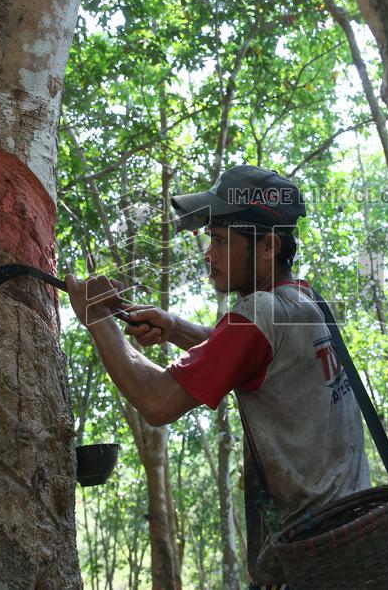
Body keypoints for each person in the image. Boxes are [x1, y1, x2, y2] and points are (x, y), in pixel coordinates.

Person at [66, 165, 371, 587]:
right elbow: (251, 354)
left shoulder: (259, 314)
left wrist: (98, 319)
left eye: (222, 241)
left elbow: (158, 401)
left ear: (268, 245)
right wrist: (173, 326)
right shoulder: (304, 301)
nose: (209, 254)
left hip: (315, 558)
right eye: (211, 239)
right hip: (354, 538)